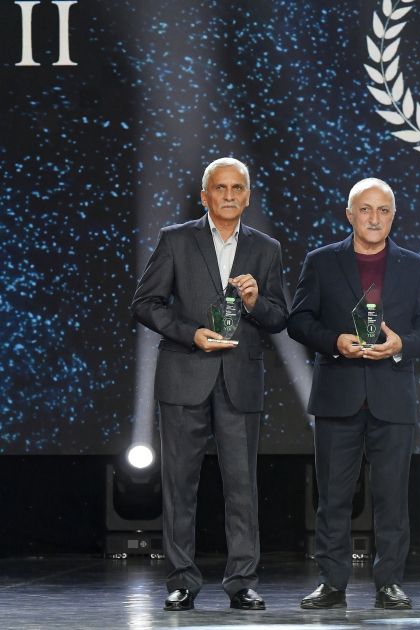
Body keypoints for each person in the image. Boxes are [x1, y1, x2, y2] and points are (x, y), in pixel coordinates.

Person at [131, 157, 288, 612]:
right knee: (180, 485)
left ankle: (242, 582)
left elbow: (280, 317)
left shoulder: (266, 248)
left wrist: (255, 302)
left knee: (242, 486)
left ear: (248, 196)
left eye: (238, 188)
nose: (229, 195)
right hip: (185, 375)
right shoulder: (176, 239)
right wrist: (190, 333)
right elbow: (146, 303)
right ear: (205, 196)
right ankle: (181, 580)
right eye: (220, 188)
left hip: (239, 380)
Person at [288, 178, 420, 611]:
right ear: (349, 214)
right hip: (338, 394)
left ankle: (389, 582)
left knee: (392, 498)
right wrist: (335, 341)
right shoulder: (321, 262)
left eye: (383, 210)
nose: (375, 218)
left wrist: (401, 345)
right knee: (333, 498)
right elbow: (299, 321)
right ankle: (331, 583)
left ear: (393, 216)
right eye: (366, 209)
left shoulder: (416, 267)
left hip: (393, 398)